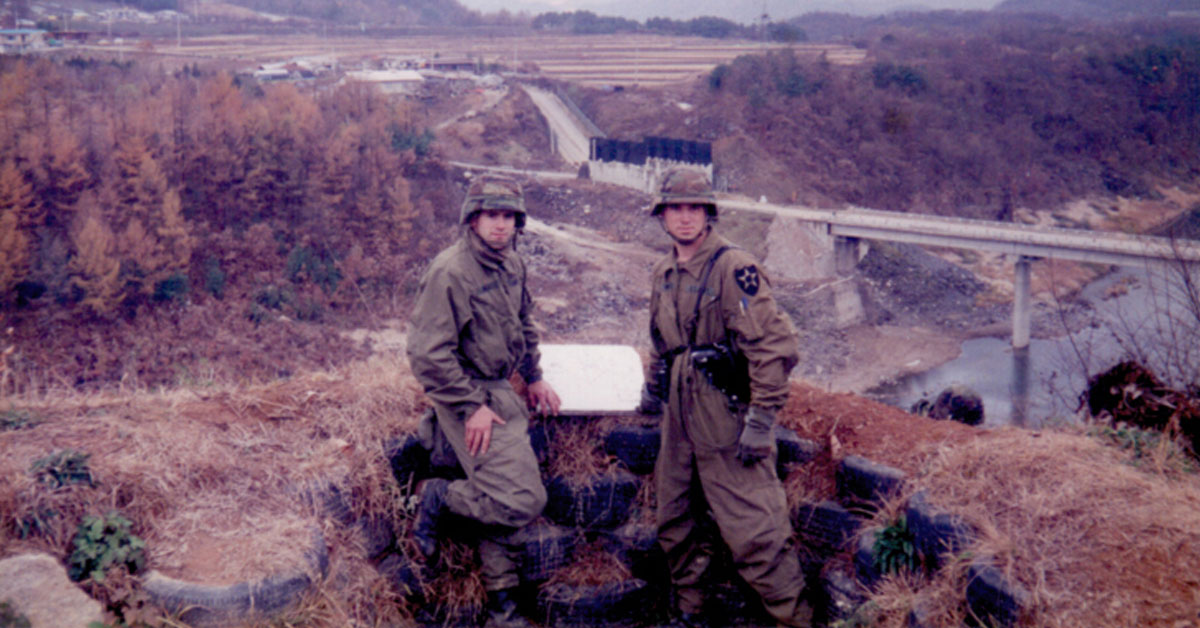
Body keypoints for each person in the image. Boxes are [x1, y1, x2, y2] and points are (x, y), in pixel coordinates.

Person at [639, 167, 812, 627]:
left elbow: (772, 346)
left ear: (708, 213)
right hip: (679, 413)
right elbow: (661, 341)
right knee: (675, 519)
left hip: (724, 409)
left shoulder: (734, 268)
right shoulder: (663, 271)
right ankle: (691, 612)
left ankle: (793, 618)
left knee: (757, 530)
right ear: (662, 215)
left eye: (694, 208)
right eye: (676, 208)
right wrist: (653, 389)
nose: (685, 217)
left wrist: (761, 420)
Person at [406, 173, 561, 628]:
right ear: (473, 219)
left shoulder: (512, 264)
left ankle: (503, 608)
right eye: (491, 215)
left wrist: (534, 376)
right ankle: (437, 495)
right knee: (521, 499)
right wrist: (470, 406)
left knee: (502, 493)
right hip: (466, 394)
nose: (500, 224)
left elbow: (523, 323)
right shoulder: (451, 271)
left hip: (502, 389)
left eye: (508, 216)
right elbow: (427, 353)